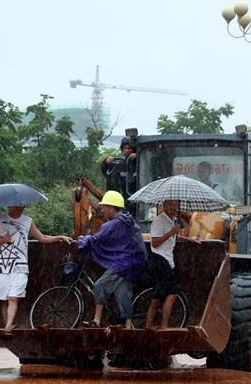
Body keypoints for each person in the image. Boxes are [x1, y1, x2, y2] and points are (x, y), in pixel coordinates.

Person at [0, 205, 72, 332]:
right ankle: (7, 326)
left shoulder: (27, 221)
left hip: (20, 265)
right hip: (3, 266)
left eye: (23, 205)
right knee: (4, 299)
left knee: (13, 297)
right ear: (11, 205)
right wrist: (4, 240)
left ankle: (8, 326)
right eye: (19, 205)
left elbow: (41, 237)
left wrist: (60, 237)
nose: (22, 207)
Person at [76, 190, 148, 328]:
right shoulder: (127, 220)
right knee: (122, 292)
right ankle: (127, 326)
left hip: (124, 263)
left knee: (99, 286)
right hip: (136, 262)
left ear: (110, 207)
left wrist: (83, 240)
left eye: (104, 207)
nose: (102, 210)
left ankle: (96, 321)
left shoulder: (115, 224)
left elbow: (98, 238)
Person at [145, 199, 199, 330]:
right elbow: (155, 242)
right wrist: (172, 232)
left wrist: (189, 239)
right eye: (169, 205)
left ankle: (148, 327)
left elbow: (172, 238)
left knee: (158, 296)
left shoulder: (170, 221)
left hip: (164, 261)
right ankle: (164, 326)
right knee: (173, 293)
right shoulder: (159, 220)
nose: (172, 208)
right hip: (160, 261)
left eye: (175, 205)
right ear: (164, 206)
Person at [101, 136, 137, 201]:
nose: (127, 150)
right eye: (125, 148)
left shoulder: (139, 162)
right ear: (122, 149)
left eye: (129, 148)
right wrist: (106, 161)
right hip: (123, 197)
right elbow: (105, 169)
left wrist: (138, 157)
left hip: (136, 196)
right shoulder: (120, 164)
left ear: (133, 149)